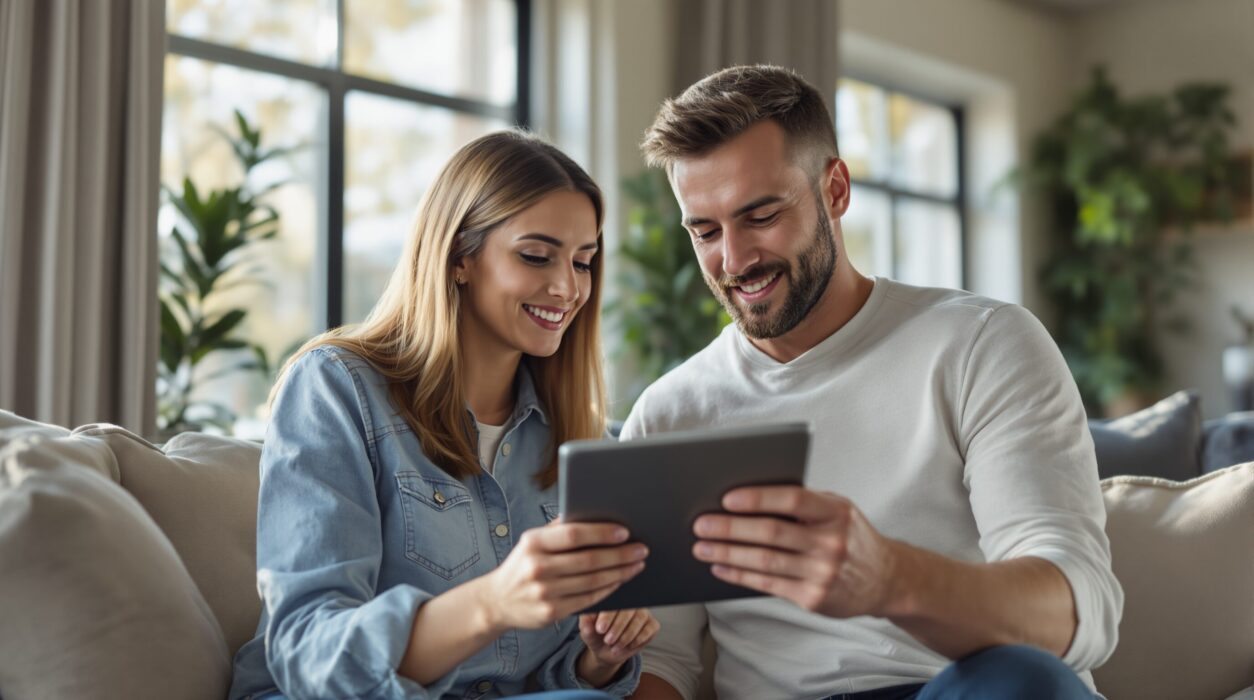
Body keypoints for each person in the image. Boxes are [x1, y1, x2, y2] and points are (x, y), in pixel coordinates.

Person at [624, 65, 1123, 699]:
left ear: (834, 189)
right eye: (705, 231)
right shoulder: (668, 415)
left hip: (956, 688)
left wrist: (888, 578)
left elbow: (1077, 612)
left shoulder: (982, 344)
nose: (734, 258)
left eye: (761, 215)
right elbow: (662, 665)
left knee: (1022, 680)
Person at [229, 130, 659, 700]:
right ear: (460, 257)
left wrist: (598, 660)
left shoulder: (579, 438)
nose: (567, 288)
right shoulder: (337, 388)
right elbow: (310, 652)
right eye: (536, 256)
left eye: (583, 262)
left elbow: (537, 678)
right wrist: (494, 600)